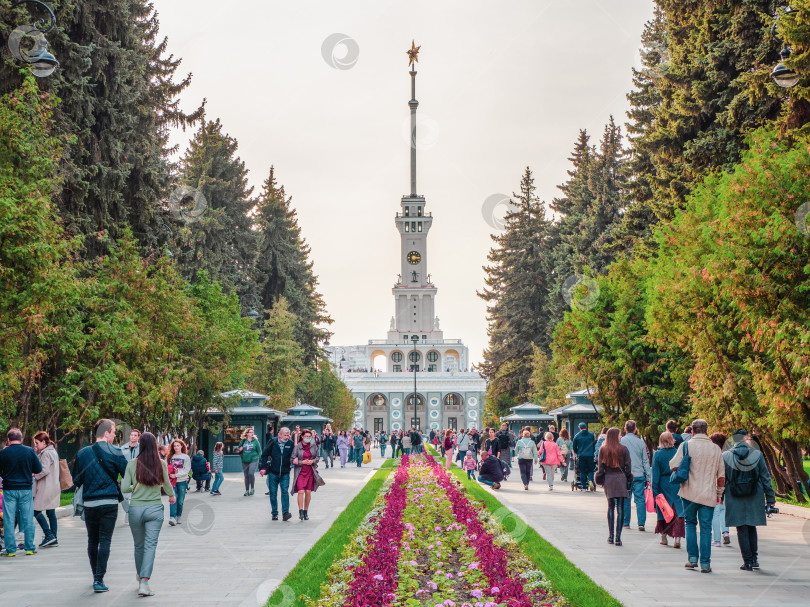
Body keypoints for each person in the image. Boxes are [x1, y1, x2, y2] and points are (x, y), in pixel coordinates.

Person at [72, 419, 128, 592]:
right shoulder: (116, 452)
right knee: (105, 541)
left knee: (92, 540)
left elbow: (77, 480)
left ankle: (95, 576)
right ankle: (99, 579)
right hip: (109, 503)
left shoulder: (82, 454)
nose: (114, 435)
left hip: (90, 503)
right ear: (106, 433)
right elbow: (126, 474)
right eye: (113, 432)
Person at [120, 432, 175, 597]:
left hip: (135, 509)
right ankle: (144, 581)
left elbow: (124, 488)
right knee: (150, 546)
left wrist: (134, 487)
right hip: (155, 509)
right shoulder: (161, 464)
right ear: (154, 446)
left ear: (140, 446)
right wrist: (172, 496)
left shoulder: (132, 464)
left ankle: (140, 576)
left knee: (139, 545)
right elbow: (166, 484)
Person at [669, 419, 725, 573]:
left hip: (688, 493)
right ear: (707, 431)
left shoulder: (685, 446)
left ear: (692, 431)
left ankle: (692, 559)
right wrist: (719, 494)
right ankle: (705, 564)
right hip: (708, 494)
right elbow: (721, 477)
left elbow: (673, 465)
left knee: (690, 523)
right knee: (706, 529)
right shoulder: (715, 449)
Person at [723, 429, 776, 571]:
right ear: (746, 438)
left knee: (741, 527)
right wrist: (770, 499)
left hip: (734, 496)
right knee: (751, 526)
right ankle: (754, 558)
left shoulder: (726, 456)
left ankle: (747, 562)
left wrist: (719, 496)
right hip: (755, 495)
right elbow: (765, 478)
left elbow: (722, 479)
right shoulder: (757, 455)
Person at [0, 428, 42, 557]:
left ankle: (11, 550)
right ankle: (29, 547)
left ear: (8, 439)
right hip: (25, 489)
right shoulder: (29, 451)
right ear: (21, 439)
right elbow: (38, 469)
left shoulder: (3, 453)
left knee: (8, 519)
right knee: (28, 518)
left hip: (9, 490)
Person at [595, 428, 633, 546]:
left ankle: (610, 536)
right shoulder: (624, 449)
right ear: (615, 436)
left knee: (610, 506)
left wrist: (600, 478)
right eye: (620, 435)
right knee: (620, 508)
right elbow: (628, 466)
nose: (621, 436)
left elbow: (600, 468)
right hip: (621, 478)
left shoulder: (603, 449)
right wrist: (628, 477)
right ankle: (618, 537)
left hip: (609, 479)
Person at [652, 432, 684, 549]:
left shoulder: (658, 454)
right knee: (677, 510)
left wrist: (655, 490)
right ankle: (677, 538)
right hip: (676, 483)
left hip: (663, 484)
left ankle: (664, 537)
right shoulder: (677, 453)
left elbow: (655, 474)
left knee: (664, 510)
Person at [620, 420, 652, 531]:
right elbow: (645, 461)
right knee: (640, 499)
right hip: (638, 474)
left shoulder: (621, 441)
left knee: (626, 498)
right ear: (635, 429)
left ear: (625, 429)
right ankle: (641, 523)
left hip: (625, 474)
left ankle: (626, 522)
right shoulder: (641, 443)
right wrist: (648, 477)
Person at [259, 426, 295, 521]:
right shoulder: (272, 442)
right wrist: (263, 467)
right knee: (273, 494)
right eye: (285, 435)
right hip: (273, 472)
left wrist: (295, 460)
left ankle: (285, 513)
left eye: (288, 435)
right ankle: (274, 513)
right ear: (279, 435)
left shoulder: (290, 444)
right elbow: (264, 455)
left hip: (285, 473)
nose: (287, 437)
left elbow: (293, 455)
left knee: (284, 492)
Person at [33, 431, 60, 548]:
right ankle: (53, 537)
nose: (36, 446)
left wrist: (34, 475)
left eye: (37, 443)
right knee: (50, 512)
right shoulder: (52, 451)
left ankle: (49, 534)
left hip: (46, 487)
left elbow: (44, 470)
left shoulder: (46, 454)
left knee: (36, 510)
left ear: (44, 442)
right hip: (53, 485)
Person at [291, 429, 321, 520]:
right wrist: (301, 462)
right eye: (306, 436)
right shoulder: (297, 447)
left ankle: (305, 511)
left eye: (309, 437)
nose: (308, 438)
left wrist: (313, 461)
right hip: (300, 472)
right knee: (300, 491)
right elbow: (292, 459)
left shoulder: (313, 446)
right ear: (302, 436)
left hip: (310, 471)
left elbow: (317, 457)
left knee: (308, 492)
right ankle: (300, 511)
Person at [709, 432, 730, 546]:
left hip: (716, 486)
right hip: (727, 486)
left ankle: (716, 540)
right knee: (723, 511)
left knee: (715, 513)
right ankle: (726, 533)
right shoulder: (727, 455)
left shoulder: (714, 455)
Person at [167, 439, 190, 526]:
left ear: (181, 446)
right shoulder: (170, 457)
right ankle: (172, 517)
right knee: (173, 499)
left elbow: (186, 470)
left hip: (182, 482)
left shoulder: (186, 457)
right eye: (174, 446)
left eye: (178, 445)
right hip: (172, 482)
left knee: (180, 500)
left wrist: (176, 475)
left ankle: (178, 516)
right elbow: (167, 468)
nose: (176, 447)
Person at [120, 429, 140, 524]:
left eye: (135, 435)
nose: (133, 437)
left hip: (138, 475)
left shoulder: (141, 448)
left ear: (138, 437)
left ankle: (134, 516)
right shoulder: (123, 448)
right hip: (126, 474)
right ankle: (128, 512)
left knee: (137, 496)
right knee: (124, 496)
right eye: (131, 435)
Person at [236, 427, 261, 496]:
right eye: (251, 432)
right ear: (247, 433)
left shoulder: (255, 441)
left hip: (254, 460)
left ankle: (252, 489)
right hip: (244, 460)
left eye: (253, 432)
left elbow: (259, 451)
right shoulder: (243, 441)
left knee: (251, 473)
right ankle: (247, 490)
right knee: (246, 476)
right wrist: (240, 449)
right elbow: (238, 449)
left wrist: (260, 460)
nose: (252, 433)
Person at [573, 422, 596, 491]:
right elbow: (594, 445)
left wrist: (578, 453)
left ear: (580, 428)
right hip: (590, 455)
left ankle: (583, 487)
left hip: (581, 456)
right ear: (586, 427)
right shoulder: (591, 435)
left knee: (582, 471)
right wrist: (592, 452)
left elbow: (574, 447)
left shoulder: (577, 436)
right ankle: (590, 481)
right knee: (591, 470)